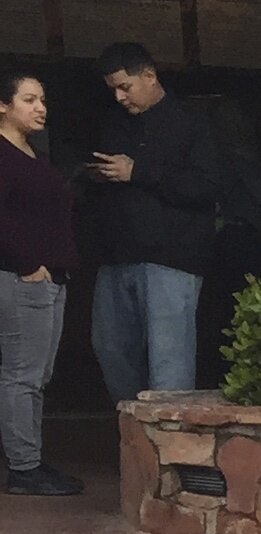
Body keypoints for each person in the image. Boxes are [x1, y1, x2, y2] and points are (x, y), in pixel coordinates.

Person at [81, 41, 222, 401]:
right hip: (115, 256)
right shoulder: (113, 123)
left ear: (149, 76)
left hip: (172, 258)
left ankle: (168, 450)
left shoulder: (190, 123)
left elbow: (207, 186)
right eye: (112, 89)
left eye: (125, 87)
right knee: (109, 347)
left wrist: (138, 171)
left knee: (169, 361)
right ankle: (137, 438)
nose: (119, 97)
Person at [0, 69, 83, 498]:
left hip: (49, 278)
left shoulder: (30, 152)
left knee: (38, 374)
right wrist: (29, 263)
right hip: (21, 278)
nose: (40, 108)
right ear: (3, 106)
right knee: (21, 374)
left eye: (43, 100)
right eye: (29, 100)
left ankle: (31, 458)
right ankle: (23, 467)